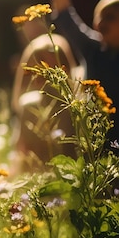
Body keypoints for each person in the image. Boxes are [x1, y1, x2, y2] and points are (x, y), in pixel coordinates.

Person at [47, 0, 119, 145]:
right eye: (100, 16)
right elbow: (65, 16)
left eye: (112, 17)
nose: (103, 22)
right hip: (95, 146)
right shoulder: (94, 50)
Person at [10, 22, 83, 172]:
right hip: (38, 175)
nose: (47, 68)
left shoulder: (79, 105)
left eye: (55, 62)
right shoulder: (28, 104)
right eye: (39, 60)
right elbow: (21, 151)